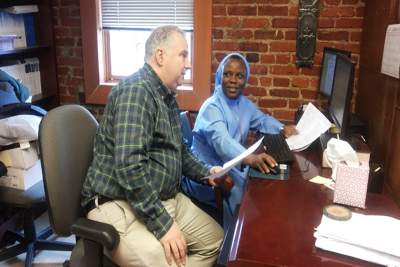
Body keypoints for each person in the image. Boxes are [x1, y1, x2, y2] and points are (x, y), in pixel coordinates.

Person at [81, 25, 225, 267]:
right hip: (118, 203)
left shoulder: (166, 96)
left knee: (217, 241)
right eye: (183, 55)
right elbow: (129, 168)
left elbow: (179, 151)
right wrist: (164, 226)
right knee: (173, 262)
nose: (188, 64)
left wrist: (208, 173)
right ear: (160, 56)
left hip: (161, 198)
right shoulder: (136, 93)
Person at [181, 52, 297, 231]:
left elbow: (262, 120)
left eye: (239, 75)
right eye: (227, 74)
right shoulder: (212, 106)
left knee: (259, 186)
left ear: (246, 79)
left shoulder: (243, 104)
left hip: (232, 166)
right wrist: (251, 159)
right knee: (246, 194)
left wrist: (282, 129)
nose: (233, 80)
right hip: (207, 174)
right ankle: (235, 250)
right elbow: (222, 142)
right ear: (220, 76)